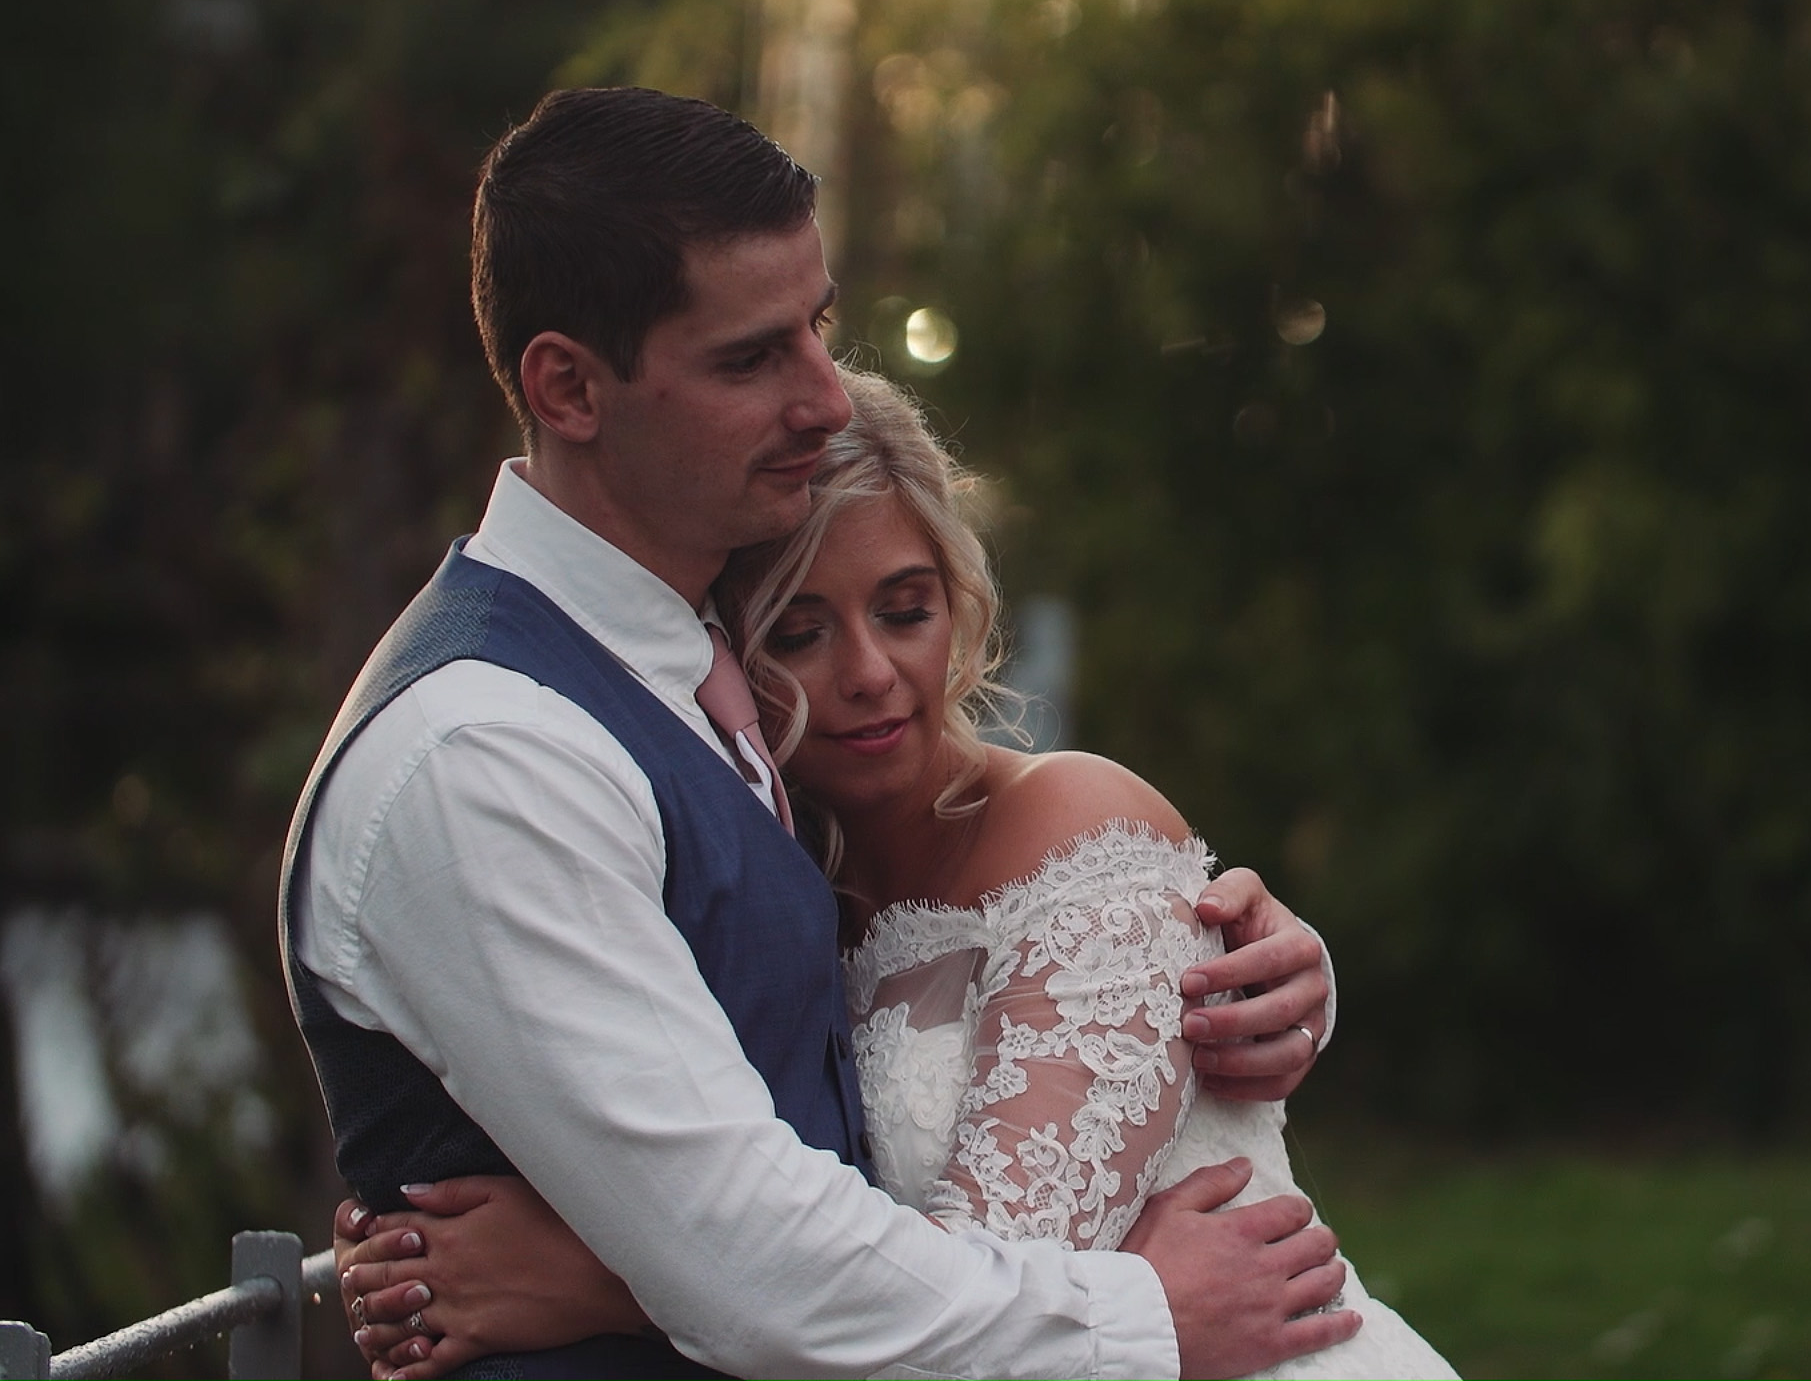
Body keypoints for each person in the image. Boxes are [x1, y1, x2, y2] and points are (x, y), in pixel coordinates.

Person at [284, 86, 1355, 1379]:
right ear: (566, 385)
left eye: (818, 329)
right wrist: (1142, 1320)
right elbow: (750, 1255)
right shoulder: (486, 757)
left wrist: (1243, 959)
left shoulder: (678, 680)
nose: (827, 400)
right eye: (750, 358)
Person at [338, 373, 1459, 1380]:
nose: (870, 675)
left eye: (906, 611)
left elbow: (998, 1271)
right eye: (798, 633)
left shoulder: (1076, 829)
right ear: (719, 656)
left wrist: (584, 1283)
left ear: (960, 606)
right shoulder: (780, 899)